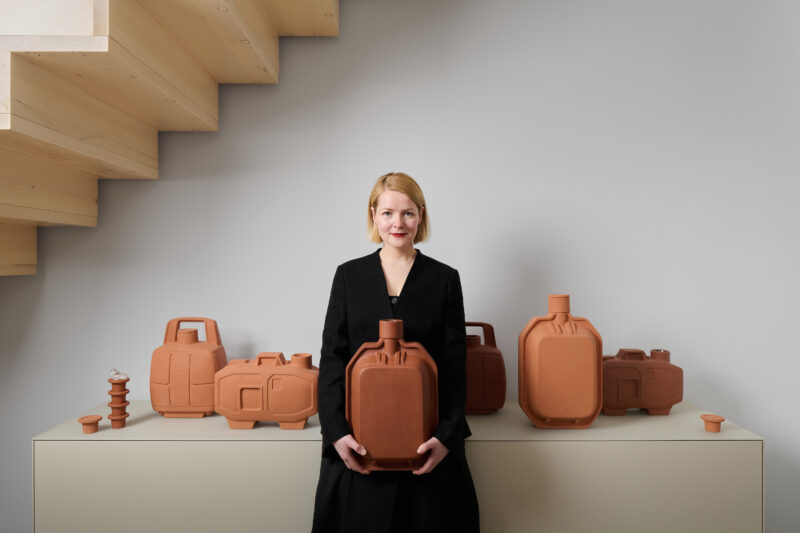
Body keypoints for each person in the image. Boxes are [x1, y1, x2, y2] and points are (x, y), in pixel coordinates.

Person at [311, 172, 480, 533]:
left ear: (421, 215)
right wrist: (337, 433)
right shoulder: (348, 276)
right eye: (388, 213)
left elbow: (453, 366)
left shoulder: (444, 278)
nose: (397, 223)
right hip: (360, 442)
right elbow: (332, 360)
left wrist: (445, 439)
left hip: (427, 442)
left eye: (407, 213)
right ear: (373, 214)